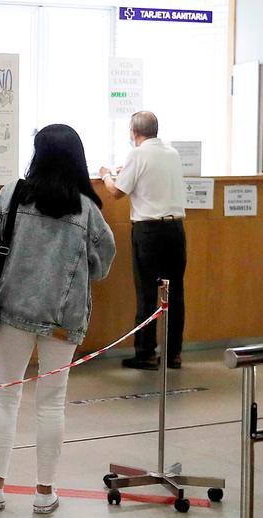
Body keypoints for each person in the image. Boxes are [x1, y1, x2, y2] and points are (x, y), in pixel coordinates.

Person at [0, 124, 116, 515]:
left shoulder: (14, 194)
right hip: (63, 320)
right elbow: (102, 264)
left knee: (6, 396)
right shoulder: (88, 210)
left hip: (13, 312)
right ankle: (45, 493)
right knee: (52, 405)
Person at [98, 111, 186, 370]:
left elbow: (116, 192)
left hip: (149, 232)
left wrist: (105, 174)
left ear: (133, 133)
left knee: (147, 293)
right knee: (176, 294)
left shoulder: (137, 154)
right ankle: (174, 354)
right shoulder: (172, 154)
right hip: (176, 230)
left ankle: (146, 353)